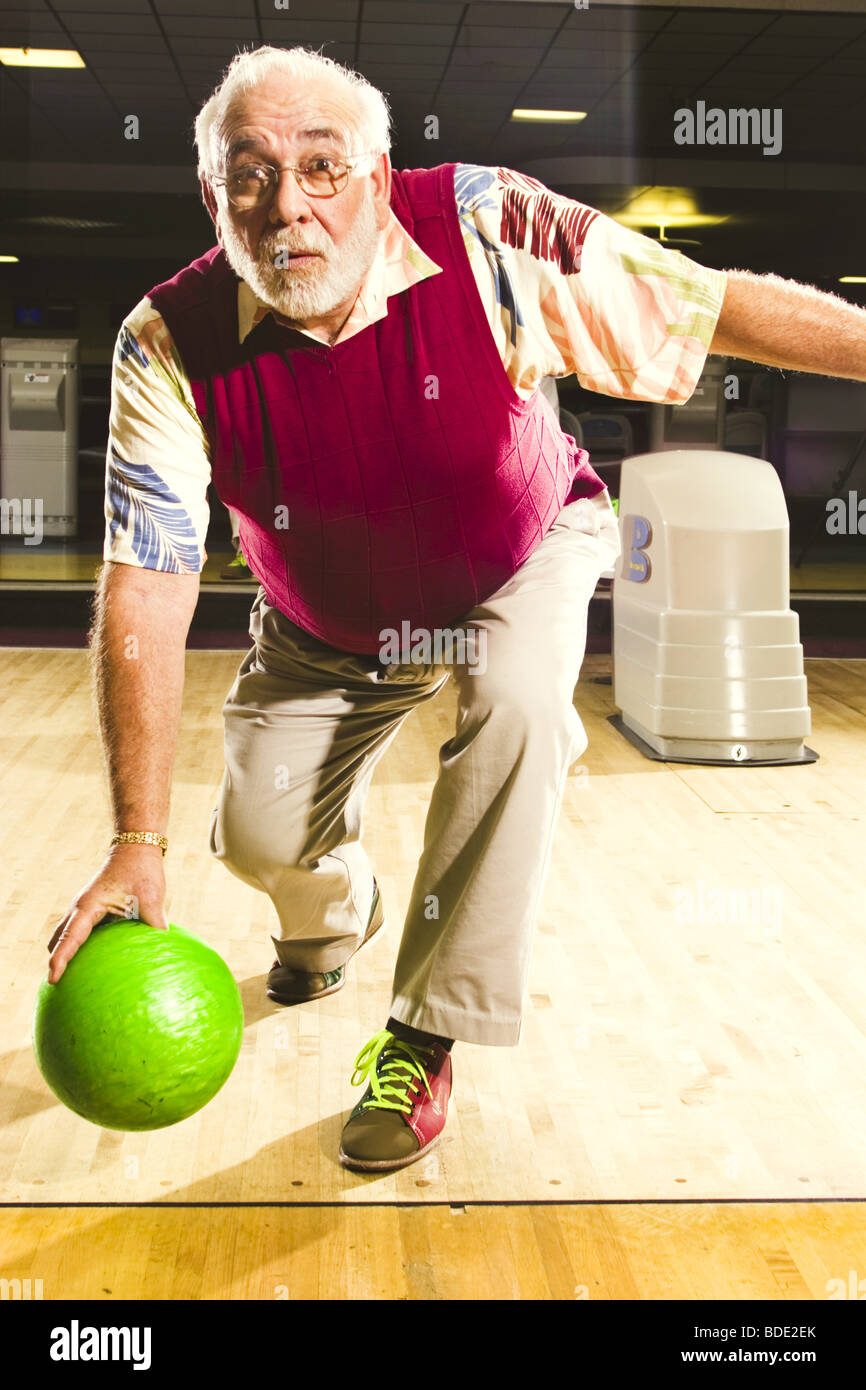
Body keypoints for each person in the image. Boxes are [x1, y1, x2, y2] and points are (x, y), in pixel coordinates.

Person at [51, 46, 866, 1174]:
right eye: (250, 175)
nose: (288, 205)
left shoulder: (486, 229)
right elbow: (146, 575)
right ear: (212, 198)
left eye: (322, 167)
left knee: (523, 704)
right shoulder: (165, 342)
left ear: (379, 178)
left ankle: (424, 1034)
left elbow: (708, 309)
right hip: (324, 622)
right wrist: (134, 842)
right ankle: (334, 916)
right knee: (255, 836)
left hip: (513, 555)